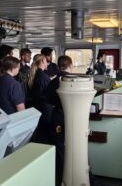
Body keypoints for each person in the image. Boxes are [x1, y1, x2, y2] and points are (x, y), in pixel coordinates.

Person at [46, 55, 73, 186]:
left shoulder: (54, 81)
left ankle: (62, 177)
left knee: (60, 148)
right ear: (70, 65)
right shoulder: (73, 81)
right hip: (70, 116)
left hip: (57, 115)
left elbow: (47, 98)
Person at [28, 54, 52, 144]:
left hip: (38, 107)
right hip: (45, 108)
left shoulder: (36, 74)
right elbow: (49, 92)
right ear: (42, 62)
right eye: (46, 61)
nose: (47, 63)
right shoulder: (43, 76)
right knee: (45, 134)